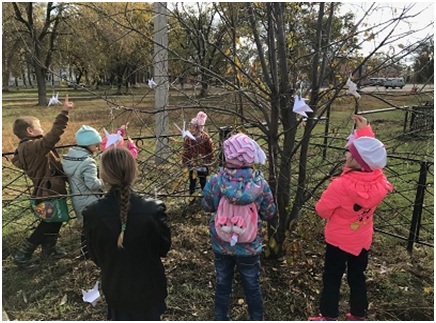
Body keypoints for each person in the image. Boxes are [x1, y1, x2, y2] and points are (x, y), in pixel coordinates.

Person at [309, 115, 394, 321]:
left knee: (332, 277)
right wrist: (364, 132)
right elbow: (372, 157)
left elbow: (322, 210)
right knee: (358, 277)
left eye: (350, 152)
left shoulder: (341, 185)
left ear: (355, 160)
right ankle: (359, 313)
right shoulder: (379, 180)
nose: (347, 153)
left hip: (338, 241)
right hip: (361, 240)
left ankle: (328, 314)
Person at [83, 147, 171, 321]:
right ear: (134, 171)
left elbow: (92, 253)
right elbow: (164, 248)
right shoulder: (153, 210)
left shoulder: (92, 213)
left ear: (103, 175)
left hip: (116, 289)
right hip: (150, 288)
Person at [201, 133, 276, 321]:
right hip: (250, 246)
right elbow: (269, 213)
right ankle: (256, 318)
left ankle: (221, 318)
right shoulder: (260, 183)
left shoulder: (215, 181)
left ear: (227, 155)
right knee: (252, 284)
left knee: (222, 284)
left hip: (222, 242)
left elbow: (207, 206)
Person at [11, 95, 74, 268]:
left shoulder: (24, 149)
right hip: (49, 192)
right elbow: (53, 136)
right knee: (48, 223)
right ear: (30, 131)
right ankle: (22, 256)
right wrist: (64, 113)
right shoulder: (33, 146)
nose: (42, 129)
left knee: (56, 221)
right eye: (39, 126)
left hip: (45, 191)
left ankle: (49, 250)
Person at [62, 125, 104, 260]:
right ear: (89, 144)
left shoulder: (69, 157)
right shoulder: (88, 162)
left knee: (87, 227)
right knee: (97, 228)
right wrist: (106, 180)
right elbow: (92, 184)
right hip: (90, 200)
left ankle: (85, 254)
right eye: (96, 145)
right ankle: (92, 253)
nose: (97, 148)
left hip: (78, 199)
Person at [182, 111, 214, 202]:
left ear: (198, 128)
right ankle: (192, 197)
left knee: (203, 181)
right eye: (190, 127)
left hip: (202, 165)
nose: (190, 129)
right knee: (192, 181)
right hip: (192, 165)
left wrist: (209, 160)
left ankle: (205, 198)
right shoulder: (189, 139)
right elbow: (186, 151)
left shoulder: (205, 138)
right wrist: (185, 161)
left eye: (192, 127)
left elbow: (210, 149)